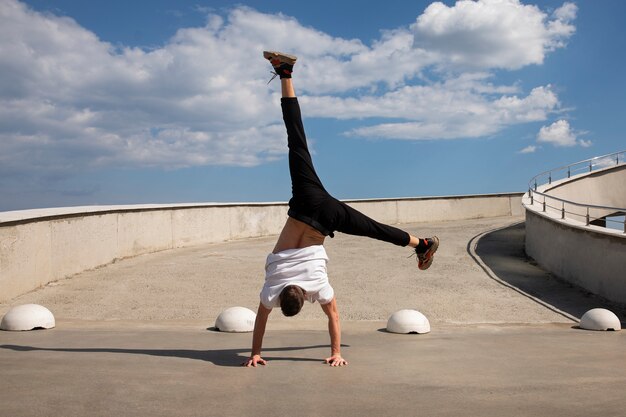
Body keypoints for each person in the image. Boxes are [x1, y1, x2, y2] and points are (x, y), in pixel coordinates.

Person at [242, 51, 439, 368]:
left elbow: (332, 314)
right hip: (308, 202)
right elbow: (261, 320)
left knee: (373, 229)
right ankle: (285, 73)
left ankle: (422, 244)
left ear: (302, 299)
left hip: (326, 218)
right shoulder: (270, 290)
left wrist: (336, 352)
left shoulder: (317, 288)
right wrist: (254, 352)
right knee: (296, 139)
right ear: (281, 296)